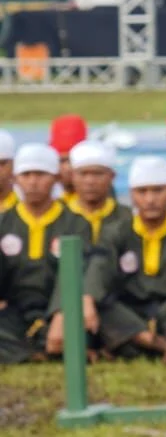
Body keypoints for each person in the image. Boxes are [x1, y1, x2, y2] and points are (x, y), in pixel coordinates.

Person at [86, 155, 166, 360]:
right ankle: (153, 343)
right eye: (142, 192)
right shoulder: (116, 232)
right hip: (129, 312)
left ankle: (136, 344)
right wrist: (87, 299)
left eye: (158, 190)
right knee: (98, 301)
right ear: (132, 195)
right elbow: (99, 268)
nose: (150, 200)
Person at [0, 143, 96, 363]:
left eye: (41, 174)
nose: (33, 182)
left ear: (55, 177)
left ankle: (35, 350)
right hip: (15, 310)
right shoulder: (4, 222)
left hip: (59, 309)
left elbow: (77, 273)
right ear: (15, 178)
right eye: (26, 175)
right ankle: (37, 354)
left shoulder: (75, 223)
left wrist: (61, 313)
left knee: (89, 325)